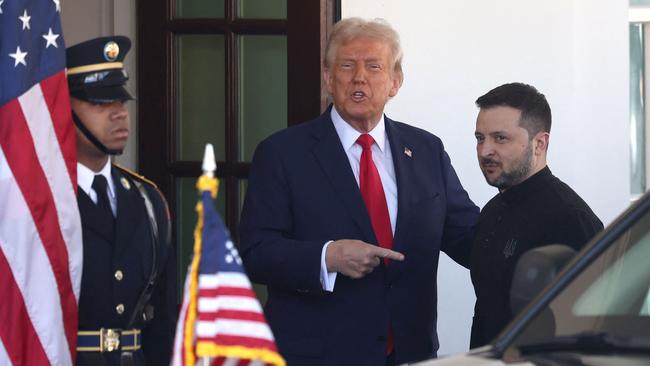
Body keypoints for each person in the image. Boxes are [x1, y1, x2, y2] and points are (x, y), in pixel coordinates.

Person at [239, 18, 479, 365]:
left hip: (409, 352)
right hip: (319, 355)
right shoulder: (282, 154)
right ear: (328, 78)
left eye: (374, 66)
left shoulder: (426, 149)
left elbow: (467, 236)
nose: (359, 77)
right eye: (347, 65)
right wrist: (327, 258)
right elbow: (255, 251)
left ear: (395, 82)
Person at [66, 36, 176, 365]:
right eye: (101, 103)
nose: (119, 115)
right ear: (63, 109)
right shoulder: (40, 202)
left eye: (121, 101)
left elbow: (164, 320)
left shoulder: (147, 200)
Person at [470, 82, 604, 348]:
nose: (485, 151)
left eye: (500, 138)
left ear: (539, 143)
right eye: (479, 138)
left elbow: (589, 329)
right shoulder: (491, 211)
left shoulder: (570, 218)